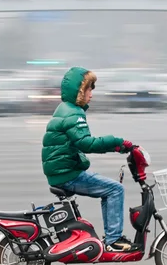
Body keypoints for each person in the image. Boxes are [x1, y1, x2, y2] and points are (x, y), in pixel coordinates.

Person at [41, 67, 137, 252]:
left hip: (62, 171)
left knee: (108, 187)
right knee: (115, 189)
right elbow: (86, 143)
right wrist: (117, 143)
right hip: (67, 174)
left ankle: (111, 237)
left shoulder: (65, 109)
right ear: (79, 91)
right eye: (89, 89)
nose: (91, 95)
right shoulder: (73, 113)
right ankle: (114, 239)